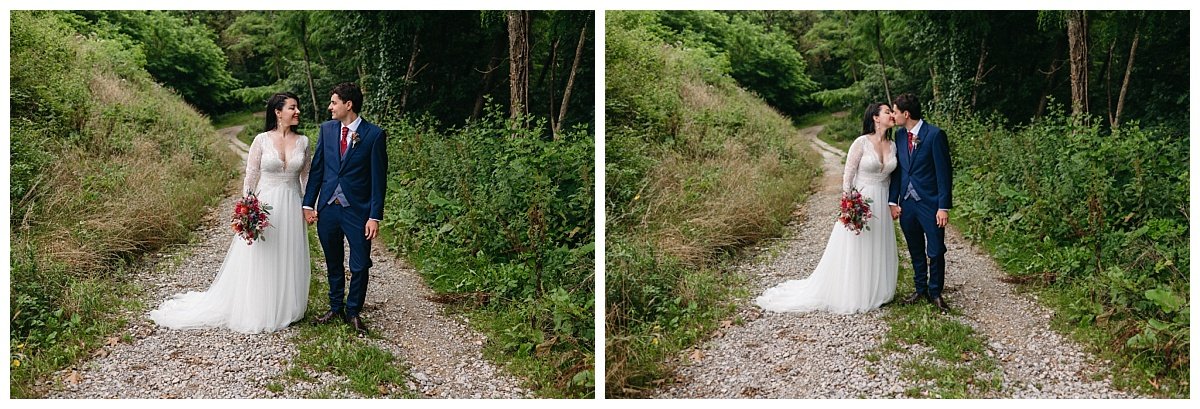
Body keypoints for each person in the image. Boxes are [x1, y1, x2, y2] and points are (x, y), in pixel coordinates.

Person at [149, 92, 312, 333]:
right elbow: (251, 174)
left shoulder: (304, 142)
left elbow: (306, 175)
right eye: (292, 107)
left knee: (289, 251)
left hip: (291, 202)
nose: (297, 111)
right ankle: (260, 306)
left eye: (297, 107)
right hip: (265, 204)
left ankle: (287, 306)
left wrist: (308, 204)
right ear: (278, 112)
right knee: (264, 255)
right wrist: (248, 206)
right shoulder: (261, 140)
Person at [756, 102, 899, 314]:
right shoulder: (861, 143)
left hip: (882, 197)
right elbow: (848, 173)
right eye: (887, 111)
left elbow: (895, 176)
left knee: (878, 242)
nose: (891, 115)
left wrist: (893, 202)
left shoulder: (894, 145)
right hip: (862, 199)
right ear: (876, 118)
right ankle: (854, 290)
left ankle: (878, 290)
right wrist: (849, 202)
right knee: (857, 245)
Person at [302, 82, 388, 336]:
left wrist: (374, 215)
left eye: (334, 102)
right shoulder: (327, 130)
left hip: (358, 211)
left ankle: (353, 311)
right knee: (333, 260)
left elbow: (378, 180)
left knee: (360, 263)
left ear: (348, 105)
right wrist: (308, 204)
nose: (330, 107)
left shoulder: (373, 135)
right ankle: (335, 307)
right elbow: (318, 169)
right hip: (328, 207)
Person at [888, 92, 953, 313]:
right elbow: (898, 172)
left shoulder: (934, 135)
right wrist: (892, 201)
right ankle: (919, 289)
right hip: (907, 204)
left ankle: (935, 292)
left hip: (930, 204)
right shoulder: (898, 136)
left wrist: (943, 207)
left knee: (935, 250)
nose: (893, 115)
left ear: (906, 114)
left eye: (895, 111)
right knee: (915, 248)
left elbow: (944, 174)